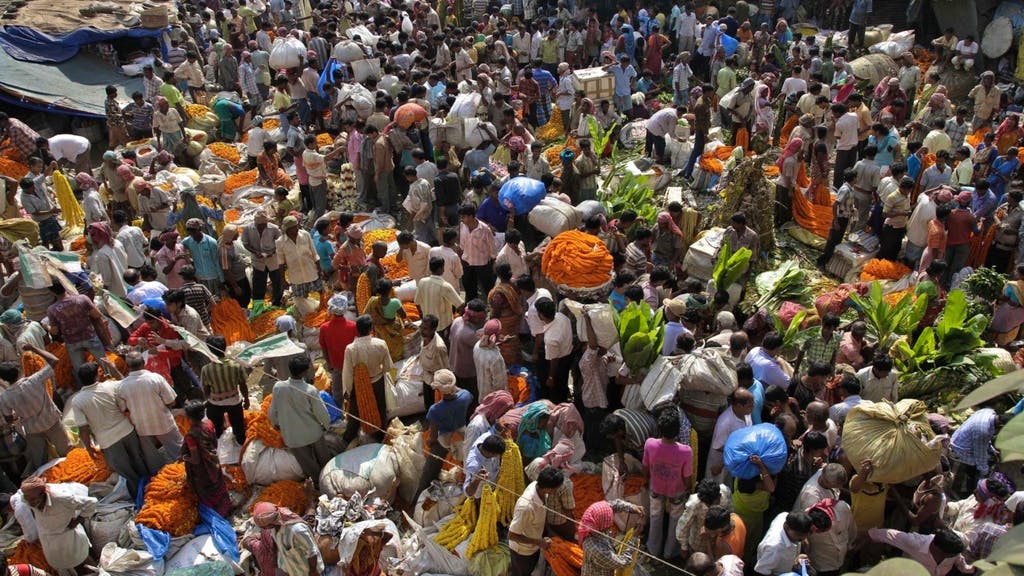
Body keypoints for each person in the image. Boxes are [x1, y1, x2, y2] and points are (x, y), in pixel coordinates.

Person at [69, 362, 165, 499]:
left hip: (108, 442)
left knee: (127, 473)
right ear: (96, 376)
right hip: (127, 431)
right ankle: (154, 489)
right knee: (140, 462)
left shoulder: (77, 400)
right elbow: (125, 382)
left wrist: (89, 447)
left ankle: (141, 497)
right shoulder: (110, 385)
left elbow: (83, 428)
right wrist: (113, 368)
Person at [268, 355, 332, 484]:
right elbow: (321, 413)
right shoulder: (310, 390)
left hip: (293, 437)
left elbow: (272, 412)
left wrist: (276, 424)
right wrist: (327, 425)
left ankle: (319, 484)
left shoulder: (278, 387)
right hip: (313, 433)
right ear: (304, 372)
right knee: (324, 458)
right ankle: (330, 479)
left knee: (308, 464)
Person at [19, 477, 98, 573]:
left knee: (80, 561)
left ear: (42, 494)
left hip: (66, 535)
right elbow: (31, 506)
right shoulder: (28, 499)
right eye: (27, 499)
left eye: (32, 499)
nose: (29, 502)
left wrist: (77, 520)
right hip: (49, 539)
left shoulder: (61, 499)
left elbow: (91, 503)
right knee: (62, 562)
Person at [645, 408, 693, 560]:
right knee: (675, 521)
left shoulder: (650, 444)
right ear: (678, 430)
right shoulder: (686, 451)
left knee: (655, 517)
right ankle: (670, 553)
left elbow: (645, 466)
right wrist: (688, 488)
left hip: (655, 488)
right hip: (677, 491)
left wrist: (647, 480)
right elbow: (687, 476)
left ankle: (653, 550)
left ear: (660, 428)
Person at [116, 352, 182, 460]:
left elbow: (124, 409)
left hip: (142, 428)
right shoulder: (155, 378)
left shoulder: (121, 386)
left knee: (152, 458)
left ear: (127, 366)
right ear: (144, 362)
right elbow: (171, 401)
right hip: (163, 423)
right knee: (178, 452)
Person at [341, 315, 394, 443]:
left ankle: (349, 437)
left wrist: (347, 391)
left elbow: (347, 373)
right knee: (380, 408)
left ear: (357, 330)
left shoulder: (351, 349)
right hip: (377, 381)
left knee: (355, 411)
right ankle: (380, 435)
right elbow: (388, 367)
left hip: (358, 385)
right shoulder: (380, 344)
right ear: (371, 328)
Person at [509, 467, 565, 576]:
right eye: (556, 489)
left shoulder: (539, 488)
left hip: (533, 545)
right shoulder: (526, 507)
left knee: (530, 569)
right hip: (522, 551)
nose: (557, 491)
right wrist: (539, 542)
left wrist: (548, 532)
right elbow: (512, 535)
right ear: (548, 489)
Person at [181, 400, 233, 517]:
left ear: (189, 417)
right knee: (218, 485)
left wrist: (185, 457)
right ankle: (226, 507)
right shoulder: (209, 424)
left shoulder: (191, 435)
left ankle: (215, 514)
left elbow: (196, 460)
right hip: (213, 461)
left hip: (202, 470)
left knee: (207, 491)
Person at [251, 502, 325, 576]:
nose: (264, 529)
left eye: (265, 526)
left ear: (271, 523)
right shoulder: (274, 530)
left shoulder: (296, 530)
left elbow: (312, 552)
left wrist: (313, 572)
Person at [868, 527, 974, 576]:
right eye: (950, 555)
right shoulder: (914, 542)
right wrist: (866, 534)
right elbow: (887, 534)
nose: (954, 556)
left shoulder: (952, 551)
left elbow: (960, 561)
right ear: (936, 548)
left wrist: (969, 569)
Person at [707, 388, 754, 482]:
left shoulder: (747, 414)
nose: (753, 408)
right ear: (739, 405)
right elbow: (718, 446)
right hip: (718, 465)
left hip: (733, 463)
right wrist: (739, 450)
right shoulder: (725, 423)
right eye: (750, 406)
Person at [754, 511, 815, 576]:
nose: (803, 538)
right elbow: (762, 570)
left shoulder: (784, 516)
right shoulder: (775, 548)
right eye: (799, 535)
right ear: (786, 527)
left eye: (806, 534)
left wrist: (797, 558)